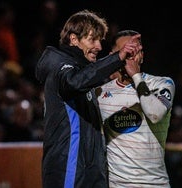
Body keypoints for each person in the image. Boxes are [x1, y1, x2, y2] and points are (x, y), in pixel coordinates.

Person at [35, 10, 142, 188]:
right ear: (74, 39)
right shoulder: (60, 67)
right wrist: (117, 58)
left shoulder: (83, 72)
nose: (99, 46)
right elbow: (76, 82)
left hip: (89, 171)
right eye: (92, 39)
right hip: (68, 168)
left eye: (100, 40)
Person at [96, 30, 175, 187]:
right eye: (126, 50)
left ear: (142, 56)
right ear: (114, 55)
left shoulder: (162, 84)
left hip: (155, 184)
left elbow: (155, 114)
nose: (130, 56)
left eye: (135, 51)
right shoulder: (100, 92)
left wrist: (136, 76)